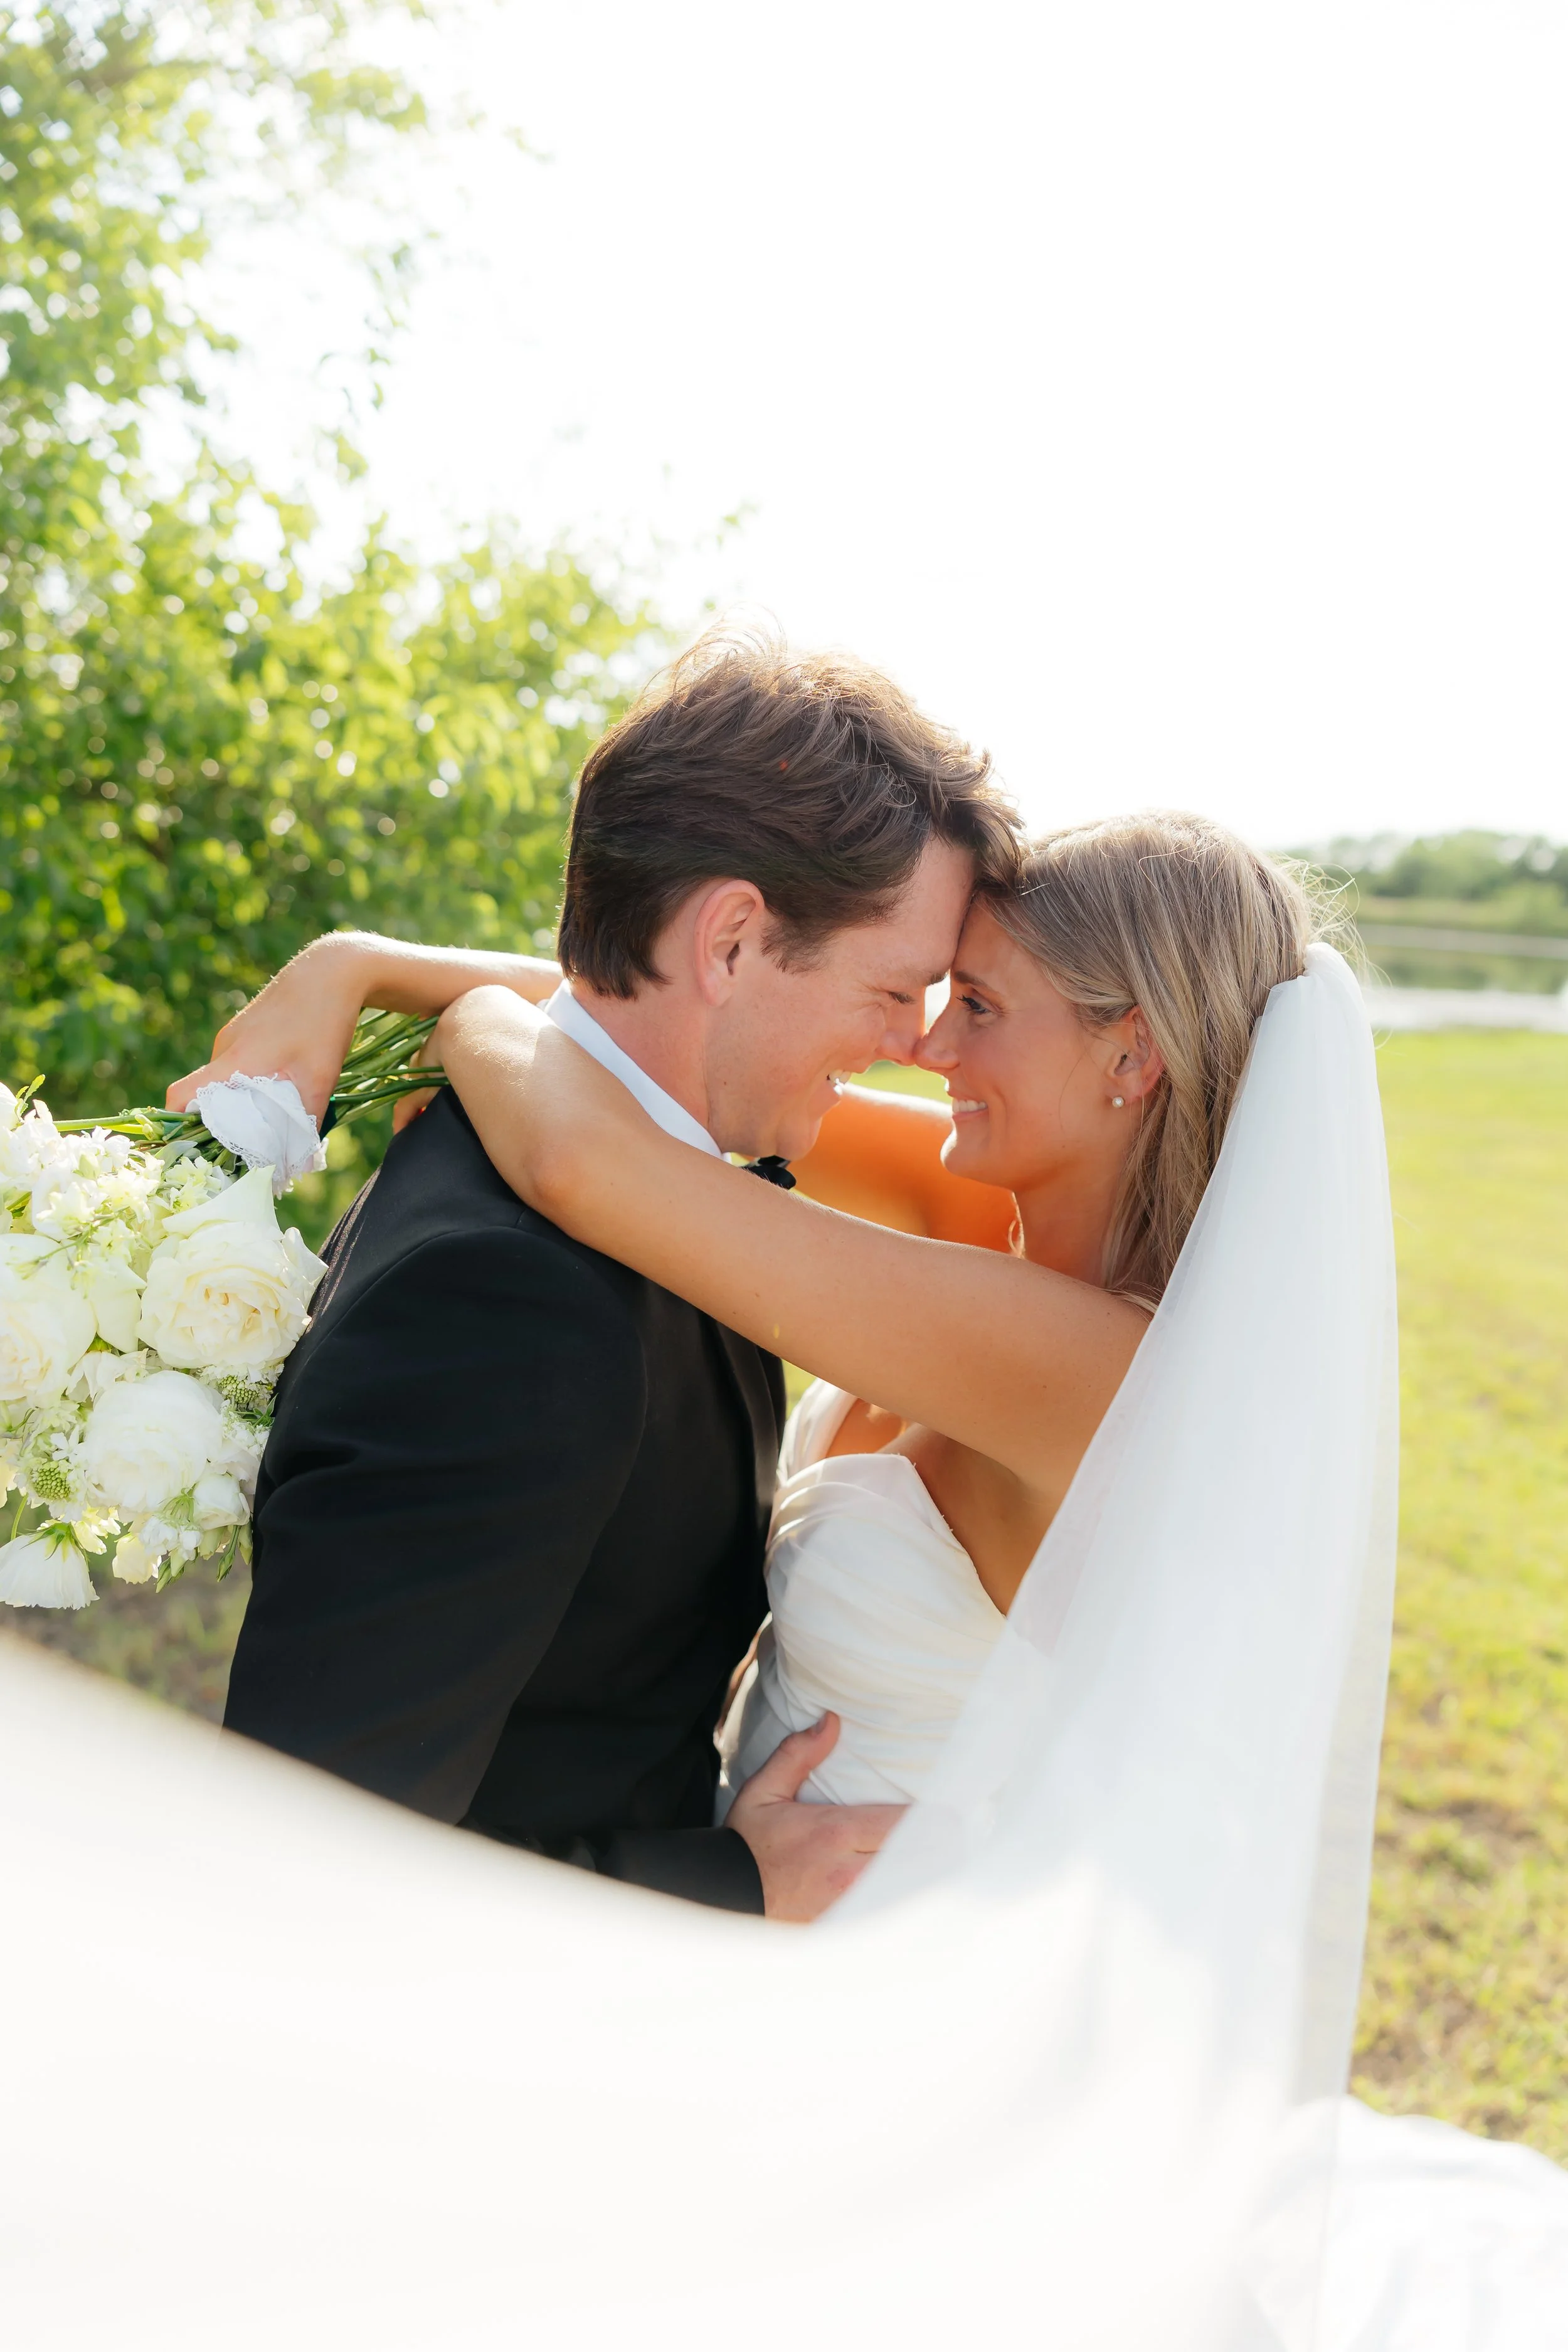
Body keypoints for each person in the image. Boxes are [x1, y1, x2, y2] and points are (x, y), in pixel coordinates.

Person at [173, 625, 1021, 1919]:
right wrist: (727, 1883)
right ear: (731, 943)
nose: (910, 1044)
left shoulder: (577, 1145)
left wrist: (367, 961)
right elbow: (308, 1869)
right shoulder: (508, 1312)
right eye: (895, 988)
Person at [420, 810, 1327, 1829]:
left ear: (1131, 1056)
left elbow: (579, 1162)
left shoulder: (1099, 1372)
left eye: (978, 1006)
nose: (927, 1045)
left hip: (871, 1943)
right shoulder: (987, 1209)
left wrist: (466, 1020)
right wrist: (363, 969)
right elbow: (666, 1042)